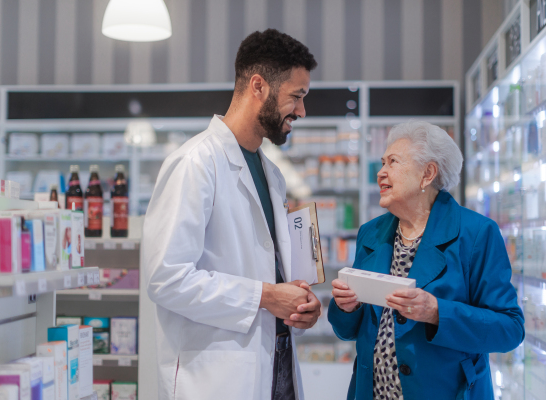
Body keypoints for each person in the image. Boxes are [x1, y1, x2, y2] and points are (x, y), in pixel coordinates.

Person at [142, 29, 322, 400]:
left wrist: (297, 305)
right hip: (217, 375)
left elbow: (270, 273)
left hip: (276, 363)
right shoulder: (196, 163)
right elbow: (166, 279)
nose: (302, 111)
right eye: (297, 96)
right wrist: (266, 296)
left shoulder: (271, 173)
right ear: (259, 86)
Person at [329, 121, 525, 400]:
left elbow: (510, 329)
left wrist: (437, 312)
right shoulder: (370, 233)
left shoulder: (476, 233)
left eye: (393, 162)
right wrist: (346, 308)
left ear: (427, 174)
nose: (380, 173)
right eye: (382, 163)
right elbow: (347, 331)